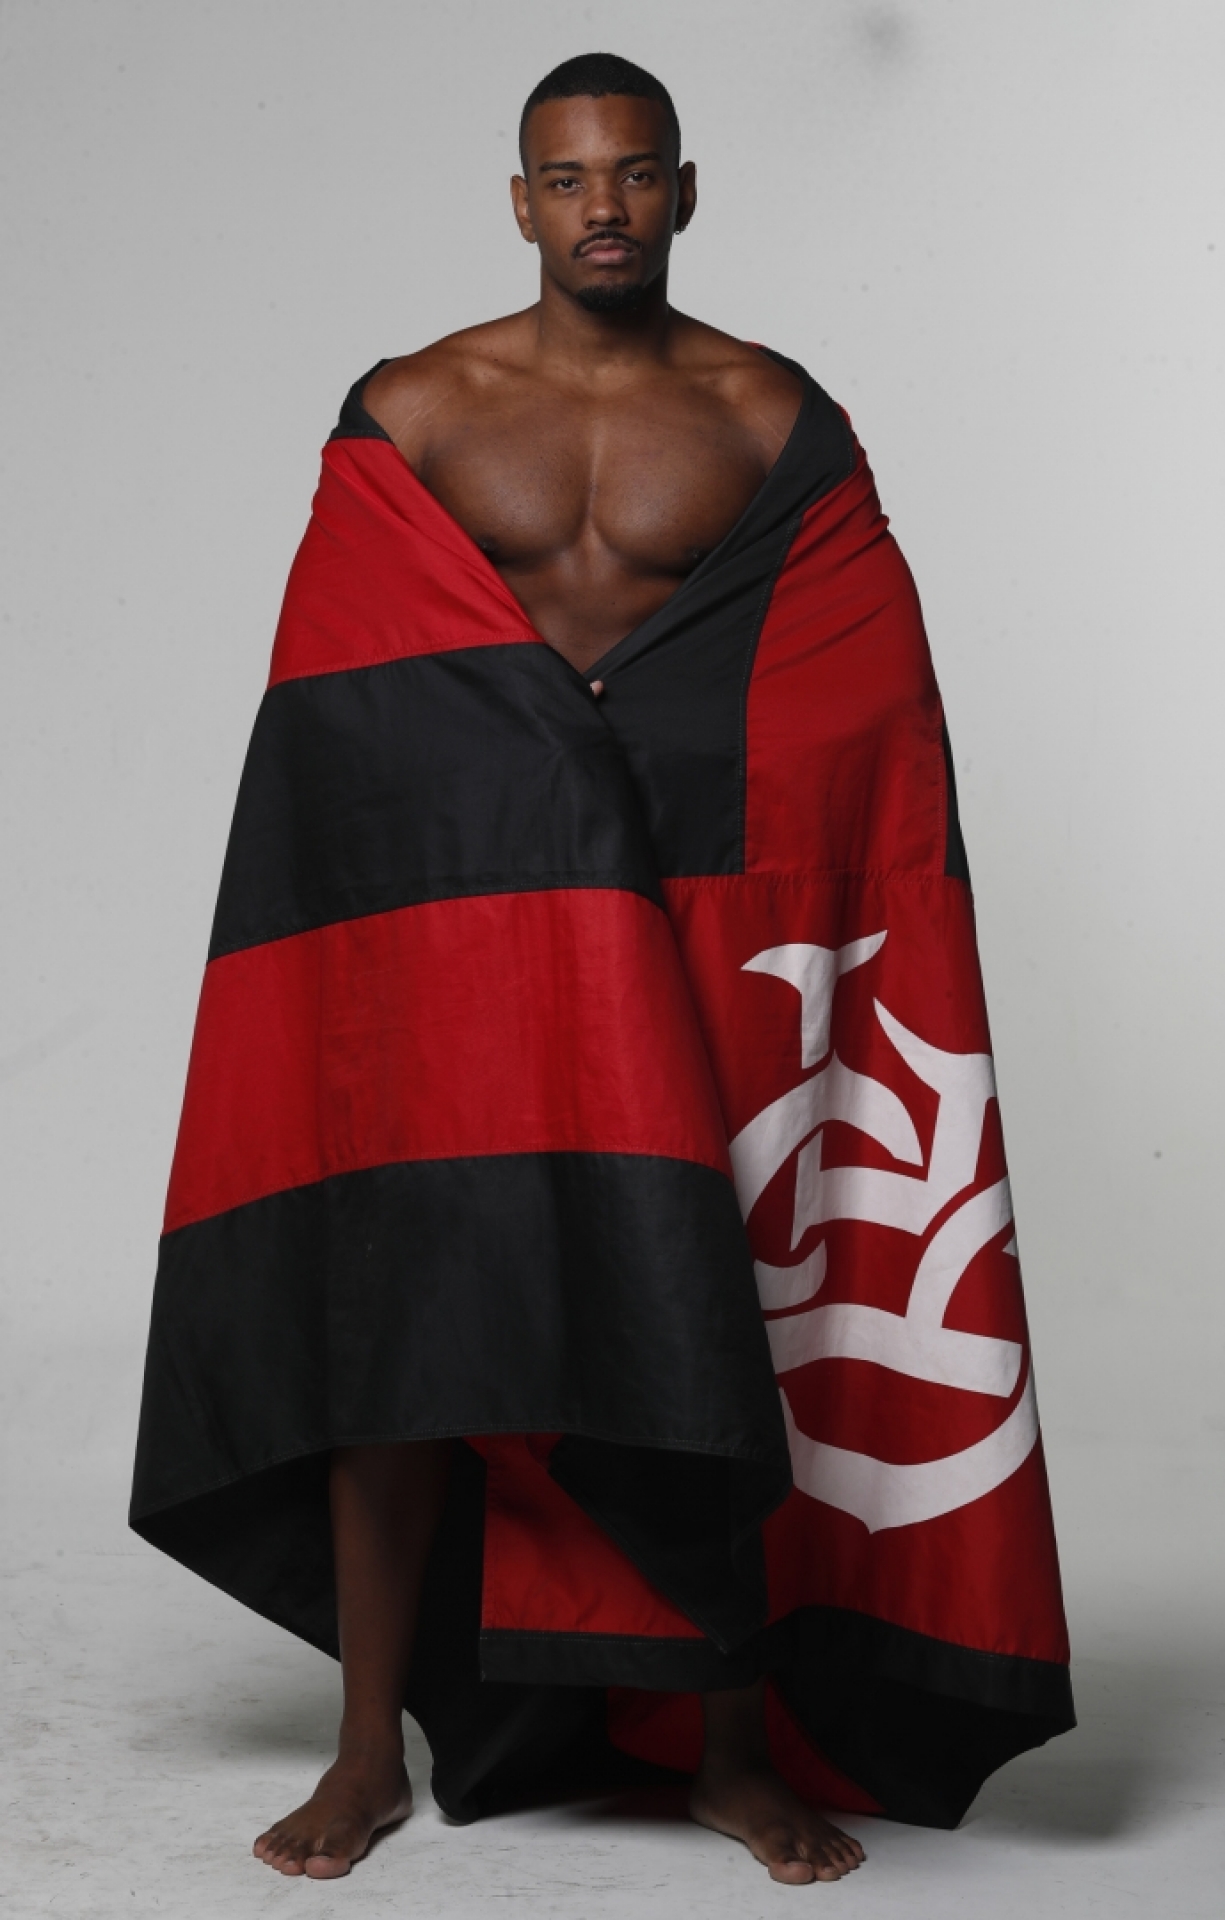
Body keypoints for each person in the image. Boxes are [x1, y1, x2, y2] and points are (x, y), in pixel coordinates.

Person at [131, 51, 1073, 1892]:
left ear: (685, 191)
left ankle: (727, 1749)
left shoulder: (766, 415)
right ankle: (368, 1751)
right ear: (520, 203)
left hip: (690, 933)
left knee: (711, 1301)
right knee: (405, 1322)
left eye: (635, 174)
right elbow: (344, 715)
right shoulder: (416, 409)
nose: (604, 209)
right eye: (567, 180)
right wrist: (529, 799)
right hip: (470, 940)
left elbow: (857, 693)